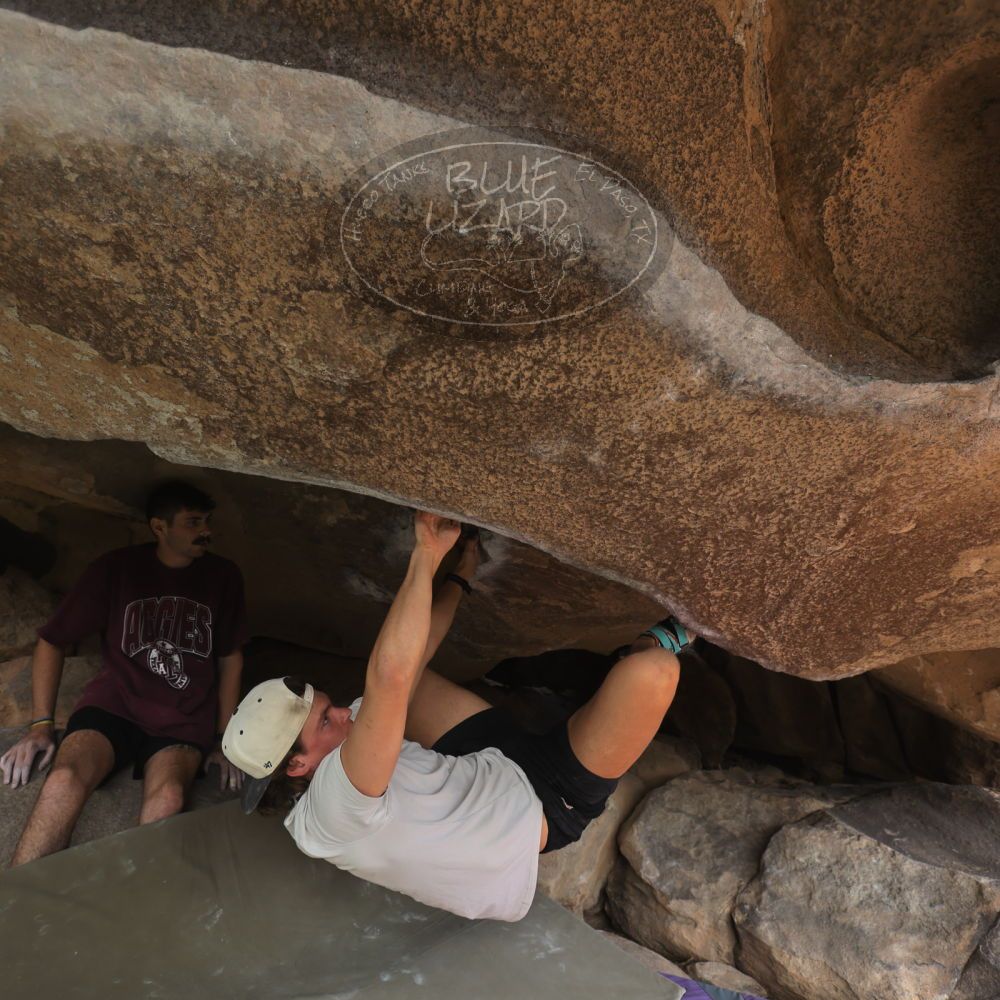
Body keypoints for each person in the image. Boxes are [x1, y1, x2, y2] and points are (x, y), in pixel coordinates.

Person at [223, 512, 690, 921]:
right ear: (297, 765)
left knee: (406, 682)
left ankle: (584, 699)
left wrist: (461, 576)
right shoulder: (332, 810)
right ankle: (639, 649)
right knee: (653, 672)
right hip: (543, 804)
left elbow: (409, 661)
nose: (344, 713)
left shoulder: (340, 755)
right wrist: (426, 552)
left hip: (483, 765)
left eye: (330, 706)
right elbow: (388, 674)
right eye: (326, 721)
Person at [1, 481, 249, 867]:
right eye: (193, 522)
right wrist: (40, 725)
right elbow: (52, 639)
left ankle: (137, 900)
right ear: (159, 527)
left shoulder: (223, 576)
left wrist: (224, 738)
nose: (206, 531)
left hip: (183, 716)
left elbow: (230, 658)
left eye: (207, 521)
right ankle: (17, 895)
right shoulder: (116, 568)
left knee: (167, 800)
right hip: (114, 704)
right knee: (63, 780)